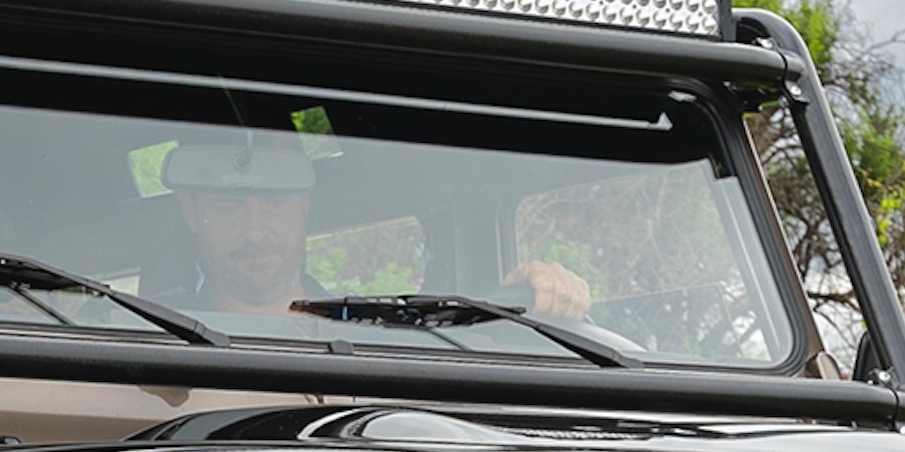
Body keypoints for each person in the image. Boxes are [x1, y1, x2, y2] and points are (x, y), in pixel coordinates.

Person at [157, 134, 593, 323]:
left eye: (275, 203)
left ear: (304, 205)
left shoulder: (372, 330)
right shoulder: (144, 338)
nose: (254, 231)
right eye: (229, 206)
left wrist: (537, 296)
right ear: (191, 212)